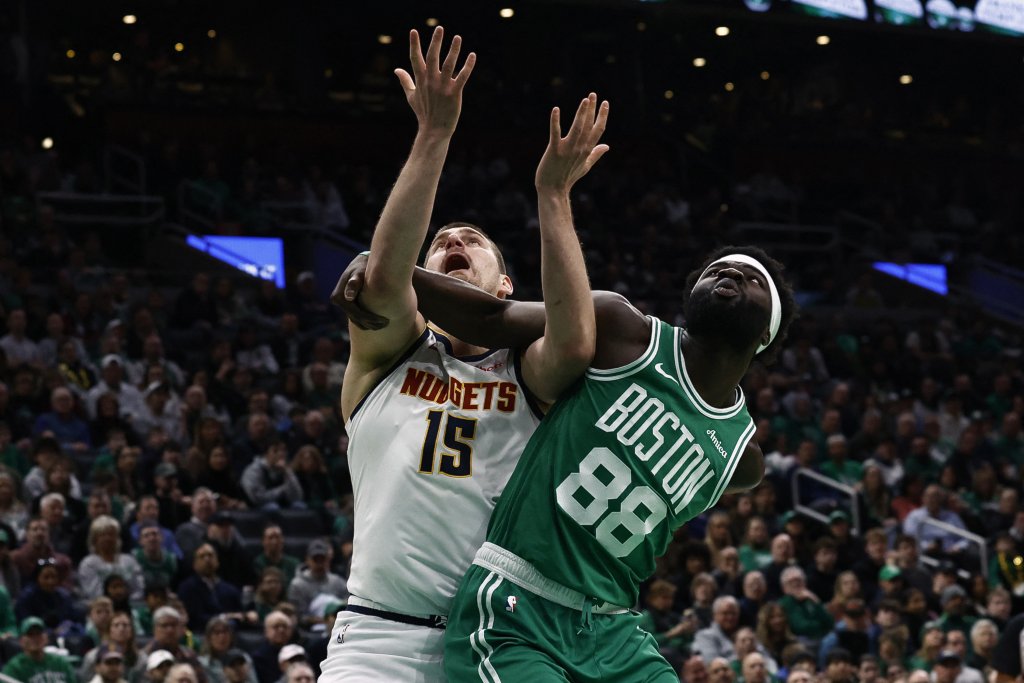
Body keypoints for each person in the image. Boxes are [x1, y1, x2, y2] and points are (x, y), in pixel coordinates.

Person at [320, 24, 606, 683]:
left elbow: (575, 340)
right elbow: (384, 280)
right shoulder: (389, 356)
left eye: (473, 241)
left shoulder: (528, 376)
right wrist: (434, 133)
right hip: (377, 641)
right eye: (441, 241)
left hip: (495, 643)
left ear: (505, 286)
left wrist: (554, 196)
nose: (454, 241)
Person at [2, 616, 78, 682]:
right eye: (30, 634)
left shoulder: (60, 663)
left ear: (46, 638)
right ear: (21, 641)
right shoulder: (14, 668)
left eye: (38, 633)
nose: (35, 638)